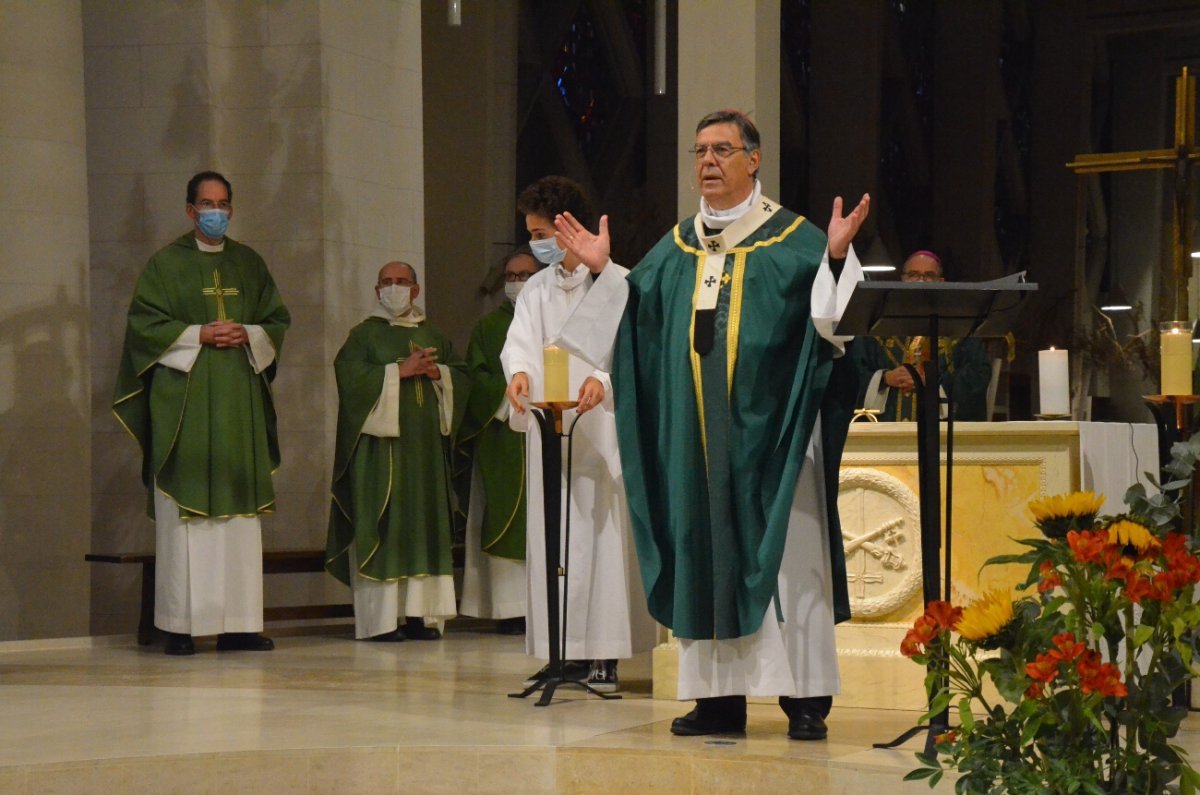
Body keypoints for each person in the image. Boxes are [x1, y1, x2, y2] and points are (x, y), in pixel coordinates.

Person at [551, 110, 868, 739]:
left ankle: (805, 700)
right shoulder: (675, 249)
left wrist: (834, 259)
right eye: (699, 150)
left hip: (775, 442)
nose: (708, 162)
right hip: (695, 446)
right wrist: (601, 272)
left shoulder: (798, 241)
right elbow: (633, 324)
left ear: (754, 160)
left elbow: (840, 331)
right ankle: (718, 699)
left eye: (723, 149)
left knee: (789, 563)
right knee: (705, 557)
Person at [113, 170, 290, 656]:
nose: (216, 212)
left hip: (237, 406)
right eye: (207, 204)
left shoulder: (249, 264)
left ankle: (240, 625)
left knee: (238, 516)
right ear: (190, 210)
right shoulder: (165, 265)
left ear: (232, 209)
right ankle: (181, 625)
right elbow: (144, 327)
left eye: (224, 204)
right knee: (187, 516)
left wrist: (249, 334)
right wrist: (200, 335)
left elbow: (276, 320)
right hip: (186, 407)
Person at [501, 176, 657, 693]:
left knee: (601, 538)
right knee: (553, 539)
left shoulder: (614, 281)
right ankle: (558, 650)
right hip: (550, 425)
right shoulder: (537, 290)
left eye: (542, 232)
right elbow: (519, 343)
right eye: (531, 235)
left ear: (570, 227)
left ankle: (604, 654)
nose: (536, 244)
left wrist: (603, 379)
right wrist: (519, 372)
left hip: (599, 430)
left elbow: (632, 347)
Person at [325, 262, 468, 642]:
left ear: (416, 290)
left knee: (423, 526)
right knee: (384, 525)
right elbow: (349, 379)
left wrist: (440, 375)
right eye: (386, 283)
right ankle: (382, 621)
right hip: (380, 455)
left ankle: (420, 615)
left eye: (401, 282)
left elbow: (463, 378)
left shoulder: (434, 334)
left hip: (424, 456)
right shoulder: (362, 337)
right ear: (376, 292)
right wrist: (397, 372)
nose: (393, 289)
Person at [458, 248, 541, 634]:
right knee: (504, 516)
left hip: (546, 430)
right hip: (502, 436)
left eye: (525, 275)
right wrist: (510, 398)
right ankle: (509, 609)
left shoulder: (555, 320)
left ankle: (545, 607)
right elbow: (475, 378)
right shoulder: (488, 328)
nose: (517, 283)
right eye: (511, 276)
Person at [853, 251, 993, 421]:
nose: (920, 281)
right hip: (884, 432)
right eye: (912, 274)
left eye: (929, 275)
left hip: (941, 432)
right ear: (902, 279)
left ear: (941, 282)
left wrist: (934, 382)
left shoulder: (961, 327)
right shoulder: (876, 325)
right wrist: (884, 378)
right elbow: (853, 370)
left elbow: (978, 373)